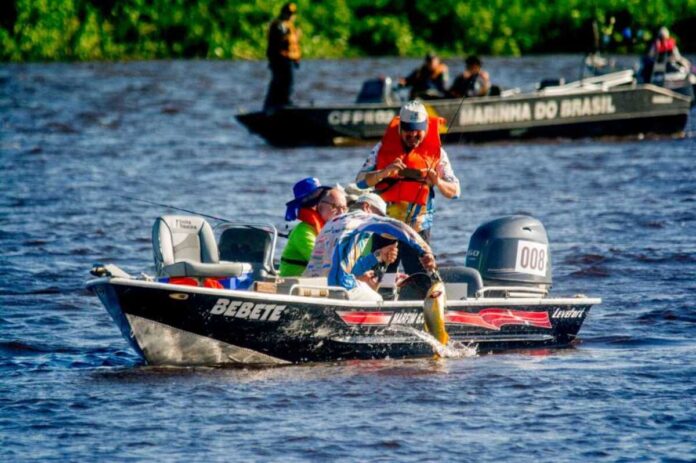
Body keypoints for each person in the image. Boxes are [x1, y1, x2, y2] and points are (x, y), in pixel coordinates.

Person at [355, 100, 460, 275]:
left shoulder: (438, 154)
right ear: (399, 129)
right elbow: (359, 181)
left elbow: (456, 191)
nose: (412, 136)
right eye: (408, 132)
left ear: (426, 127)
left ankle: (420, 297)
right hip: (385, 227)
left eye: (417, 132)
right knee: (379, 277)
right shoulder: (381, 150)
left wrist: (438, 182)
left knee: (420, 276)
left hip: (418, 228)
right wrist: (384, 172)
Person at [327, 210, 437, 301]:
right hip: (340, 289)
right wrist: (425, 251)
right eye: (379, 215)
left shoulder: (333, 223)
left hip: (320, 286)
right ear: (368, 207)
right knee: (378, 299)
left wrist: (378, 255)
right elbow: (399, 227)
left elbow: (345, 268)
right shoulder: (362, 219)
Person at [304, 193, 397, 279]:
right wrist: (379, 256)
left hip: (313, 280)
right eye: (378, 216)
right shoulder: (359, 227)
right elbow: (350, 271)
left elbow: (346, 266)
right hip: (331, 285)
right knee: (377, 297)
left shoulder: (331, 223)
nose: (379, 222)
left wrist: (379, 255)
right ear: (366, 207)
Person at [279, 178, 347, 277]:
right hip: (292, 284)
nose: (341, 213)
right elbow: (321, 261)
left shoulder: (328, 229)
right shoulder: (303, 231)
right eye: (335, 207)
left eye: (344, 208)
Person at [263, 2, 301, 111]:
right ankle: (284, 103)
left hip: (290, 59)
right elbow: (278, 42)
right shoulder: (278, 25)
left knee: (279, 83)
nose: (290, 16)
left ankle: (274, 105)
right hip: (281, 60)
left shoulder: (290, 25)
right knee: (285, 82)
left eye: (292, 14)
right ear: (283, 13)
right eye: (288, 13)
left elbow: (293, 46)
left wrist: (297, 59)